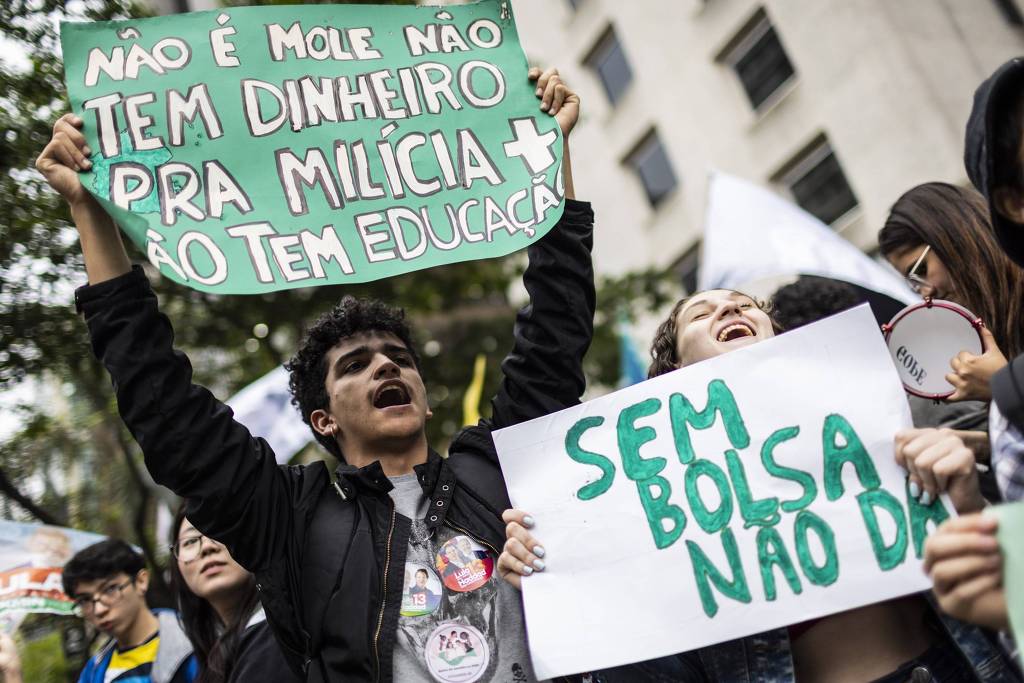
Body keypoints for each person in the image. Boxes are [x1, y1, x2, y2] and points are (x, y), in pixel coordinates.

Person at [37, 65, 593, 682]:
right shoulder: (290, 519)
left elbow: (555, 338)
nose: (387, 364)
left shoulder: (493, 466)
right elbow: (162, 403)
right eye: (356, 365)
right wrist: (88, 211)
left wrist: (552, 153)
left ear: (425, 401)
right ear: (322, 417)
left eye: (399, 358)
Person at [499, 289, 1020, 682]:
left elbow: (1002, 584)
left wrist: (965, 498)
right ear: (673, 373)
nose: (728, 312)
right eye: (702, 315)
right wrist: (554, 576)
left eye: (745, 305)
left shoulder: (870, 415)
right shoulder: (651, 498)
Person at [877, 182, 1024, 404]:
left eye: (921, 270)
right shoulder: (992, 326)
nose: (926, 291)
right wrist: (981, 440)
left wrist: (1002, 385)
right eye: (914, 284)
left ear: (956, 237)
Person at [169, 508, 299, 683]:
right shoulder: (207, 661)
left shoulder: (283, 635)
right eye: (190, 541)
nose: (207, 547)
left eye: (218, 530)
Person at [61, 539, 197, 683]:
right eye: (85, 600)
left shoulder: (196, 642)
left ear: (140, 581)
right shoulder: (92, 673)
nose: (99, 610)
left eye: (110, 589)